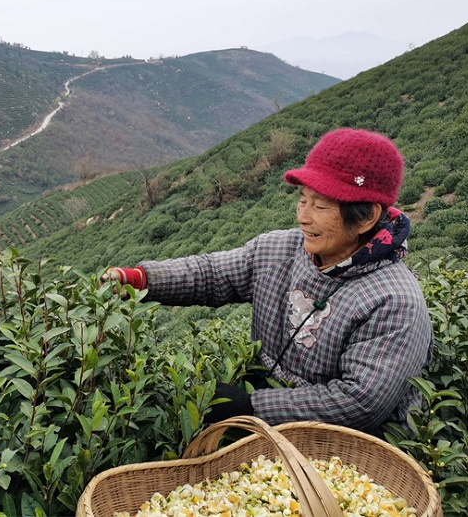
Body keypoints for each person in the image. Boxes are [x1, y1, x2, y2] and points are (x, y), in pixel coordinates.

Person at [103, 128, 433, 435]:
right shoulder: (282, 249)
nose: (303, 216)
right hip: (270, 420)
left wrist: (251, 407)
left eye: (320, 205)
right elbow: (213, 274)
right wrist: (142, 279)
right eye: (303, 199)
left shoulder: (393, 300)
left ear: (367, 217)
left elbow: (358, 403)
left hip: (343, 450)